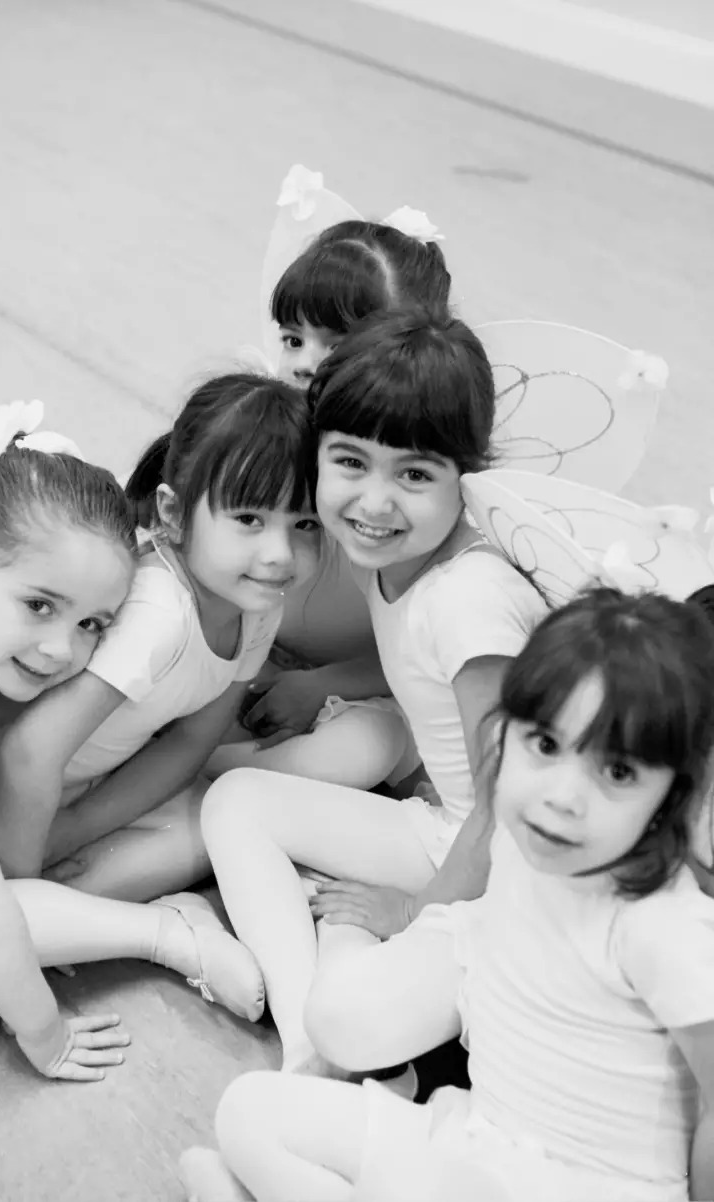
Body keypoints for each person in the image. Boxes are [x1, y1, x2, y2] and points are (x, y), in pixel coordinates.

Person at [181, 588, 714, 1202]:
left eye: (618, 773)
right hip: (472, 1146)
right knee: (248, 1110)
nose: (562, 796)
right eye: (545, 745)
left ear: (671, 799)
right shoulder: (521, 844)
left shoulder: (666, 926)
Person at [201, 312, 547, 1075]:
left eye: (416, 475)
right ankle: (303, 1053)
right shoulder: (393, 552)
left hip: (511, 871)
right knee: (235, 804)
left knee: (356, 1004)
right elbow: (404, 661)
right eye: (351, 462)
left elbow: (511, 802)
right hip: (441, 829)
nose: (376, 502)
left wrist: (419, 912)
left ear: (470, 475)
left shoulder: (471, 601)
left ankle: (338, 1053)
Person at [0, 408, 261, 1085]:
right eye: (40, 606)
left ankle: (155, 935)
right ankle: (161, 933)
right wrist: (44, 1032)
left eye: (92, 625)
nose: (61, 650)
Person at [0, 375, 320, 916]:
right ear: (172, 512)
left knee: (212, 830)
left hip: (76, 788)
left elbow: (189, 744)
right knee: (12, 912)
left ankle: (47, 914)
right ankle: (21, 918)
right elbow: (26, 753)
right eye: (248, 520)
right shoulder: (160, 612)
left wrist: (75, 829)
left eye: (305, 522)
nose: (280, 553)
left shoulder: (260, 607)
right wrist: (20, 880)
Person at [207, 209, 454, 792]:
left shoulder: (410, 499)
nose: (304, 362)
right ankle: (188, 770)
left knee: (364, 750)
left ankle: (197, 776)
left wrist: (322, 686)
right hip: (252, 661)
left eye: (335, 343)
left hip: (370, 691)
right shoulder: (259, 429)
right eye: (293, 338)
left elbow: (423, 651)